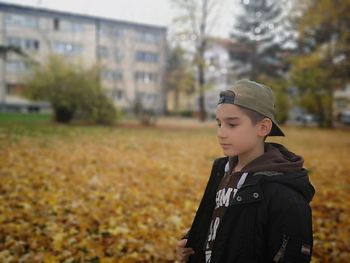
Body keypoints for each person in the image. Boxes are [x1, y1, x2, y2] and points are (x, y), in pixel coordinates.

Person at [175, 79, 315, 263]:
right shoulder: (222, 171)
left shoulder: (286, 196)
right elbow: (223, 226)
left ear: (263, 127)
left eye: (232, 125)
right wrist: (193, 245)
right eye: (219, 124)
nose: (221, 133)